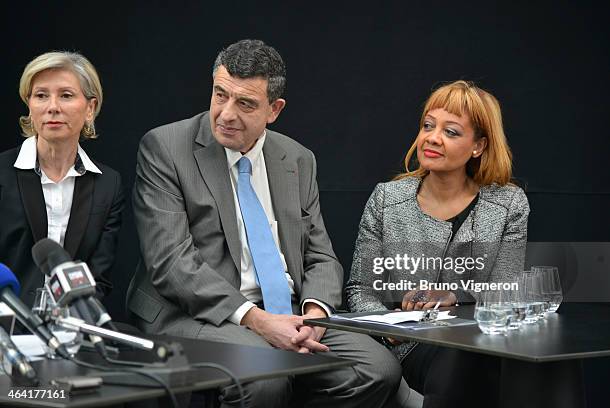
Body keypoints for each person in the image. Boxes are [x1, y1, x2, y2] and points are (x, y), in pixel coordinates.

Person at [127, 39, 403, 408]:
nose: (226, 114)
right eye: (220, 94)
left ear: (274, 109)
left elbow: (320, 255)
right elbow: (172, 264)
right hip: (192, 312)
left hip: (288, 311)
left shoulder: (297, 159)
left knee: (376, 369)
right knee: (264, 377)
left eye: (245, 104)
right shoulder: (165, 148)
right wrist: (257, 319)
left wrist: (316, 315)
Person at [346, 80, 530, 408]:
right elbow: (360, 291)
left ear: (478, 146)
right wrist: (392, 330)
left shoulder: (509, 204)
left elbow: (507, 291)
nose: (432, 138)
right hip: (410, 345)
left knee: (508, 362)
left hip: (482, 342)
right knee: (462, 361)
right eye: (428, 126)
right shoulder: (386, 199)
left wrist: (455, 297)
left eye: (451, 132)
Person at [0, 51, 124, 307]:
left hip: (72, 329)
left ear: (90, 108)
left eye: (66, 95)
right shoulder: (2, 172)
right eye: (41, 95)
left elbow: (99, 279)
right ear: (30, 106)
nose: (52, 107)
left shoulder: (108, 185)